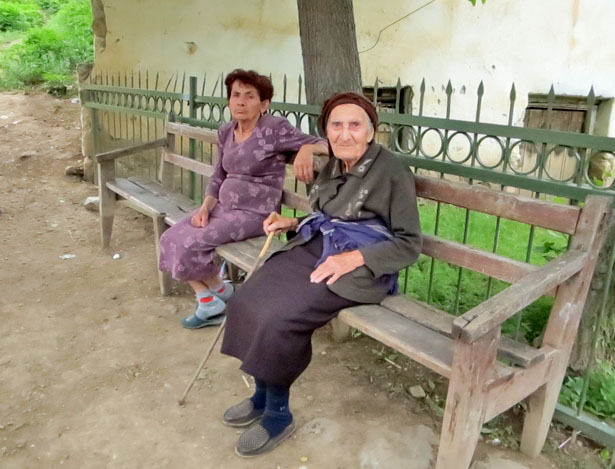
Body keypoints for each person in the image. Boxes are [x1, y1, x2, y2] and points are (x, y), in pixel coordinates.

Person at [219, 92, 423, 457]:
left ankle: (278, 414)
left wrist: (354, 258)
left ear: (371, 131)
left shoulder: (392, 172)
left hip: (362, 267)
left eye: (355, 125)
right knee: (246, 299)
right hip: (319, 247)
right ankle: (261, 395)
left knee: (281, 318)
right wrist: (291, 222)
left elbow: (409, 244)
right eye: (336, 125)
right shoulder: (335, 164)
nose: (345, 134)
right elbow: (330, 217)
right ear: (326, 131)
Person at [158, 69, 327, 329]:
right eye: (236, 95)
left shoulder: (274, 129)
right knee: (169, 238)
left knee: (190, 243)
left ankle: (214, 299)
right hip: (222, 209)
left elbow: (326, 144)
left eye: (250, 96)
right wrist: (205, 207)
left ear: (264, 104)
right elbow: (218, 175)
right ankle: (214, 296)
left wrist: (306, 148)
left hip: (254, 215)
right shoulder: (226, 131)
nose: (241, 101)